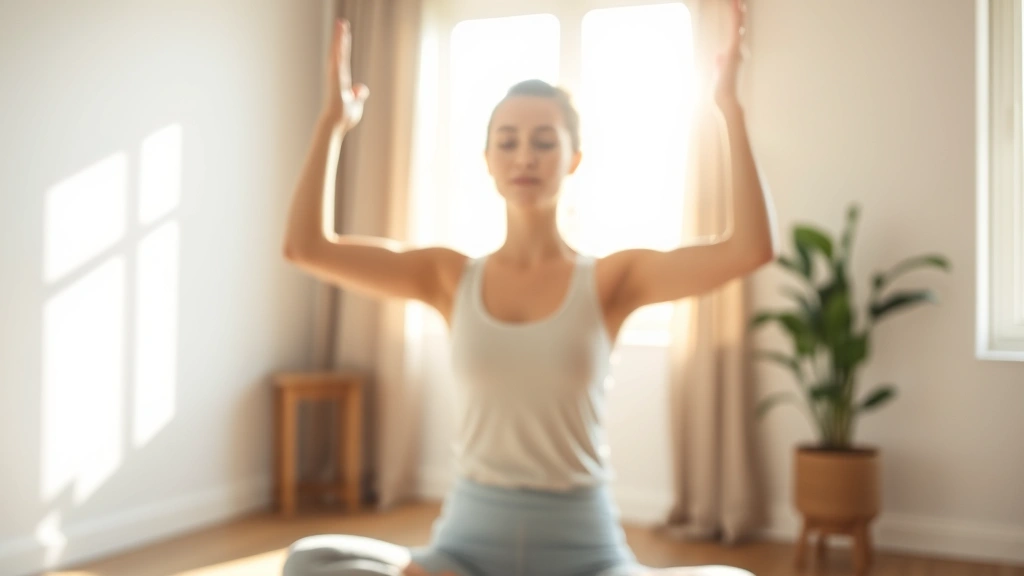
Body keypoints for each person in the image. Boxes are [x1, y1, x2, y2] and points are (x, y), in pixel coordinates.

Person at [280, 1, 775, 574]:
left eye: (544, 141)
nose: (524, 157)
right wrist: (331, 124)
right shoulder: (448, 276)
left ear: (574, 159)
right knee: (310, 560)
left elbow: (750, 250)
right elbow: (306, 248)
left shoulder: (612, 280)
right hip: (464, 552)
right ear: (487, 159)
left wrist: (729, 110)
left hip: (584, 555)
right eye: (508, 141)